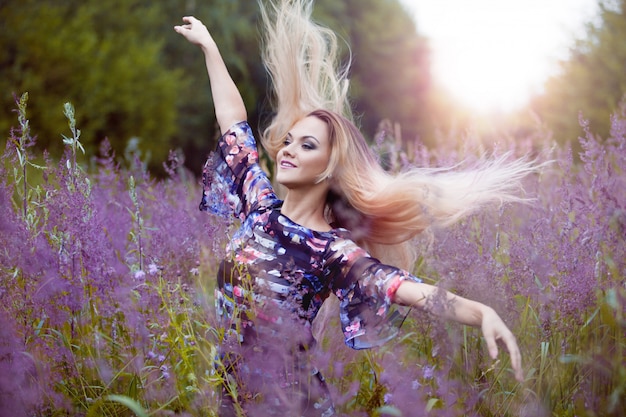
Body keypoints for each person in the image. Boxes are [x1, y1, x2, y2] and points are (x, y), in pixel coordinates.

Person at [175, 0, 527, 415]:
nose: (287, 150)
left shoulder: (332, 251)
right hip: (233, 395)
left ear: (328, 168)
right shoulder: (258, 207)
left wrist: (481, 311)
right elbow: (233, 122)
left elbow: (411, 292)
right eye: (288, 141)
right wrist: (211, 50)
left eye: (307, 146)